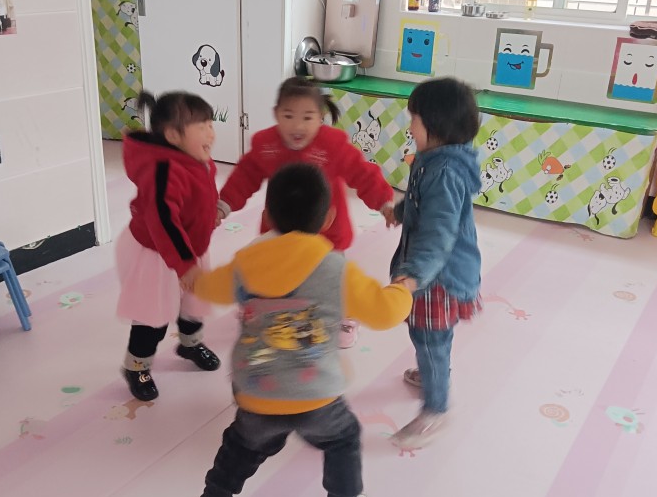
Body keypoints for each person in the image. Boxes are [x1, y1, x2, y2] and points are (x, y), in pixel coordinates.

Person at [187, 163, 413, 497]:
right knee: (343, 439)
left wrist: (193, 279)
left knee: (241, 446)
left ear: (268, 216)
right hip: (316, 395)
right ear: (328, 218)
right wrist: (402, 289)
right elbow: (385, 312)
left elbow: (209, 288)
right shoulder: (335, 268)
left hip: (257, 391)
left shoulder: (245, 264)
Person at [217, 76, 394, 348]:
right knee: (277, 271)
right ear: (276, 114)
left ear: (320, 118)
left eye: (307, 117)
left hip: (326, 230)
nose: (297, 126)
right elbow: (245, 175)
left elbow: (362, 173)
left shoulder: (332, 145)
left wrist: (384, 203)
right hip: (281, 228)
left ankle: (343, 316)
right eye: (288, 116)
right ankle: (267, 307)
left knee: (333, 276)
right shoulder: (267, 144)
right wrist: (224, 204)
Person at [386, 77, 483, 449]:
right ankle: (433, 375)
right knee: (431, 337)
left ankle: (436, 408)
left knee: (430, 339)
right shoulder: (437, 159)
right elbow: (423, 204)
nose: (410, 126)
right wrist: (400, 211)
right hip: (433, 271)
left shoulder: (443, 172)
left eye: (415, 118)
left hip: (437, 277)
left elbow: (439, 235)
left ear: (436, 125)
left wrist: (412, 276)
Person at [116, 89, 222, 402]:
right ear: (173, 135)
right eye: (202, 126)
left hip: (188, 248)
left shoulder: (199, 160)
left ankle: (190, 344)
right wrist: (184, 265)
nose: (211, 133)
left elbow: (199, 196)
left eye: (211, 124)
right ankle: (136, 367)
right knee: (154, 315)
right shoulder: (163, 170)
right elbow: (163, 220)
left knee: (194, 303)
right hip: (157, 254)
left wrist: (209, 214)